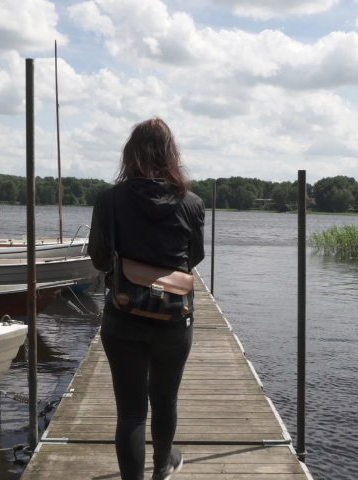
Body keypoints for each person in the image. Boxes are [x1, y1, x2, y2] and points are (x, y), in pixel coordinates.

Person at [88, 118, 205, 480]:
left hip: (123, 314)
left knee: (131, 412)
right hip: (174, 316)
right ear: (172, 154)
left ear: (129, 153)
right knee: (165, 400)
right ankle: (162, 466)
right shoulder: (191, 202)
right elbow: (195, 257)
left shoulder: (109, 200)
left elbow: (96, 256)